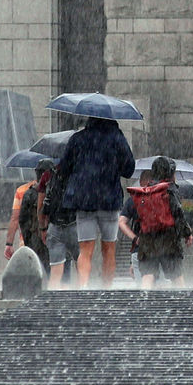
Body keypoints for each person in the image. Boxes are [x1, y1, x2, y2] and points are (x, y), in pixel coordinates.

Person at [59, 117, 135, 289]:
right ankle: (106, 289)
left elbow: (64, 168)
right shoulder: (116, 137)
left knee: (85, 249)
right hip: (109, 201)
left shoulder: (78, 138)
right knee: (109, 248)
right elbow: (129, 169)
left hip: (84, 201)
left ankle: (83, 286)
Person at [133, 157, 193, 290]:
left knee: (148, 275)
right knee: (176, 275)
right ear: (171, 173)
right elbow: (178, 214)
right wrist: (187, 233)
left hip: (148, 239)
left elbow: (139, 217)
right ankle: (182, 302)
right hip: (169, 240)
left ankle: (144, 300)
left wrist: (137, 237)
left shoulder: (146, 191)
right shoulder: (170, 190)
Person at [40, 162, 79, 290]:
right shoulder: (78, 175)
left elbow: (44, 206)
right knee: (82, 265)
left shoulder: (51, 177)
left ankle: (53, 301)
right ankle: (85, 295)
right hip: (74, 225)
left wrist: (43, 228)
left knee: (56, 269)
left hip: (55, 226)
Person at [18, 159, 54, 274]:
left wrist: (27, 239)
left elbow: (22, 220)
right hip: (53, 234)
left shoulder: (29, 194)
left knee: (38, 268)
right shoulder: (56, 191)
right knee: (55, 267)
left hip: (35, 236)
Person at [118, 170, 153, 285]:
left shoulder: (134, 199)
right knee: (161, 290)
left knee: (142, 289)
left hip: (139, 249)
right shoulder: (162, 199)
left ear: (141, 182)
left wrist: (134, 238)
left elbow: (121, 222)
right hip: (159, 250)